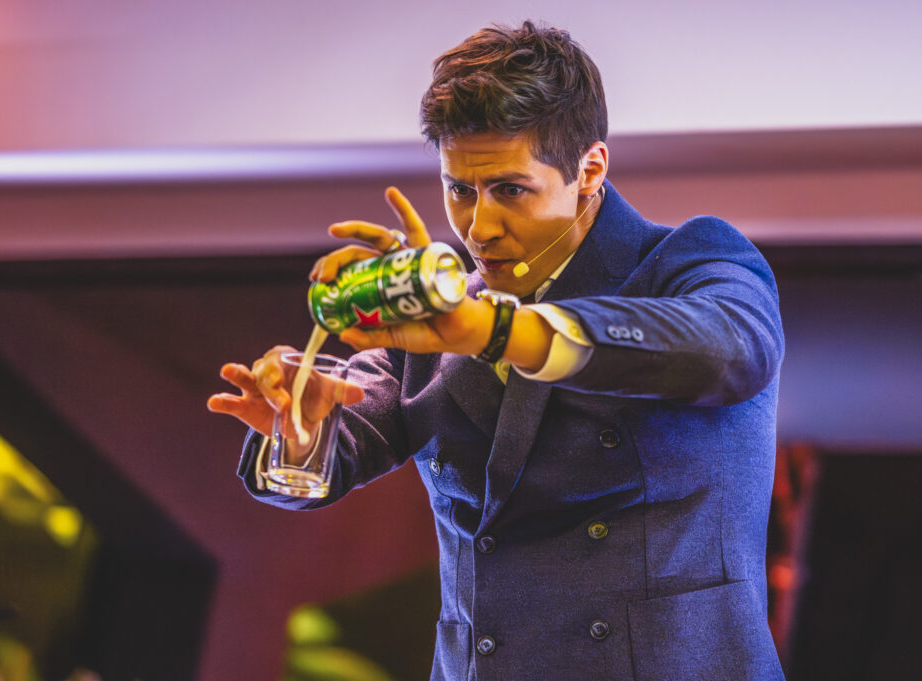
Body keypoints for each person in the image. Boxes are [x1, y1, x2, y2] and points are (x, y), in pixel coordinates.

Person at [209, 20, 786, 681]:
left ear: (589, 169)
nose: (479, 228)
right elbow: (339, 448)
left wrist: (498, 330)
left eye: (510, 190)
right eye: (460, 189)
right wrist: (301, 423)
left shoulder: (692, 259)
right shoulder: (442, 312)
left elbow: (724, 351)